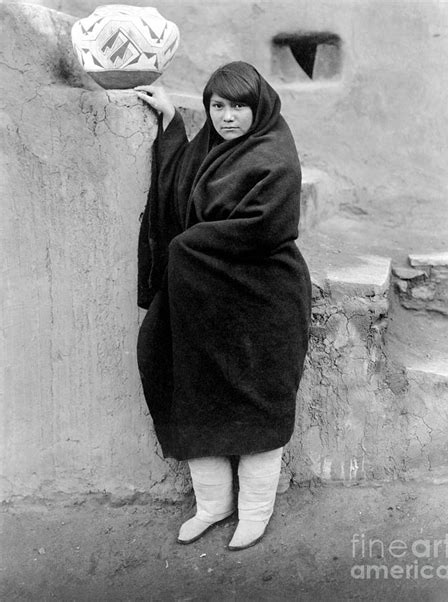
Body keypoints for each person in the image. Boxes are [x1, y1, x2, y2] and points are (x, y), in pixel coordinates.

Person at [135, 61, 311, 551]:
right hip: (200, 301)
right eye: (218, 106)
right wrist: (172, 121)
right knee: (188, 387)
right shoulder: (210, 148)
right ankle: (213, 505)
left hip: (262, 300)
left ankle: (255, 511)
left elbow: (264, 226)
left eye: (239, 107)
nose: (228, 117)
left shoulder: (274, 156)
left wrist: (189, 247)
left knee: (259, 398)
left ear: (259, 109)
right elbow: (174, 183)